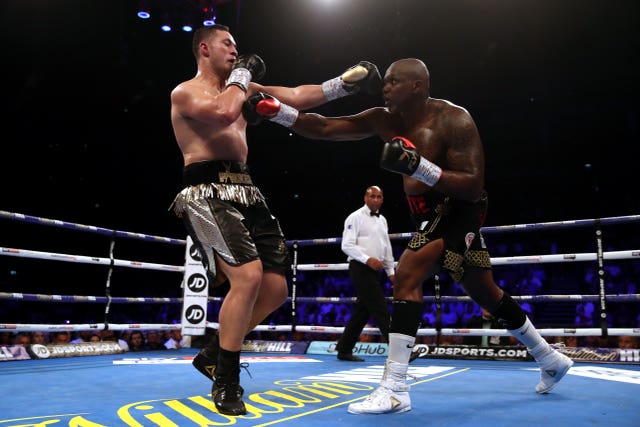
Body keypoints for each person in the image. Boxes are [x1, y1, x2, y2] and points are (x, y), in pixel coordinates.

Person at [244, 57, 574, 414]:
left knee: (408, 273)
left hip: (460, 208)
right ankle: (550, 358)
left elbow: (473, 184)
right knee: (485, 291)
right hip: (428, 214)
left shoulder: (454, 119)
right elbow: (324, 127)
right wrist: (276, 112)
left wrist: (419, 166)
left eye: (394, 81)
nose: (385, 87)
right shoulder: (384, 119)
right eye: (384, 81)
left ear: (417, 85)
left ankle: (396, 387)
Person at [169, 24, 381, 415]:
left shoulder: (243, 87)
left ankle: (214, 353)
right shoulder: (185, 93)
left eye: (236, 43)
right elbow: (223, 113)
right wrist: (243, 76)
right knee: (247, 276)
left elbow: (299, 96)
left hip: (247, 190)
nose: (235, 49)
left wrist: (346, 84)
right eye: (226, 44)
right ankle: (226, 379)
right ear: (203, 49)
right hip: (206, 192)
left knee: (275, 289)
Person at [335, 185, 394, 362]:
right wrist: (367, 259)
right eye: (372, 196)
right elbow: (346, 245)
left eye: (379, 197)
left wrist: (391, 271)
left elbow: (386, 247)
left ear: (382, 199)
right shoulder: (355, 217)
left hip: (376, 270)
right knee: (380, 308)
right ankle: (399, 351)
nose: (376, 200)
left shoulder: (382, 220)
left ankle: (344, 349)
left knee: (362, 312)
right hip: (360, 268)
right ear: (365, 198)